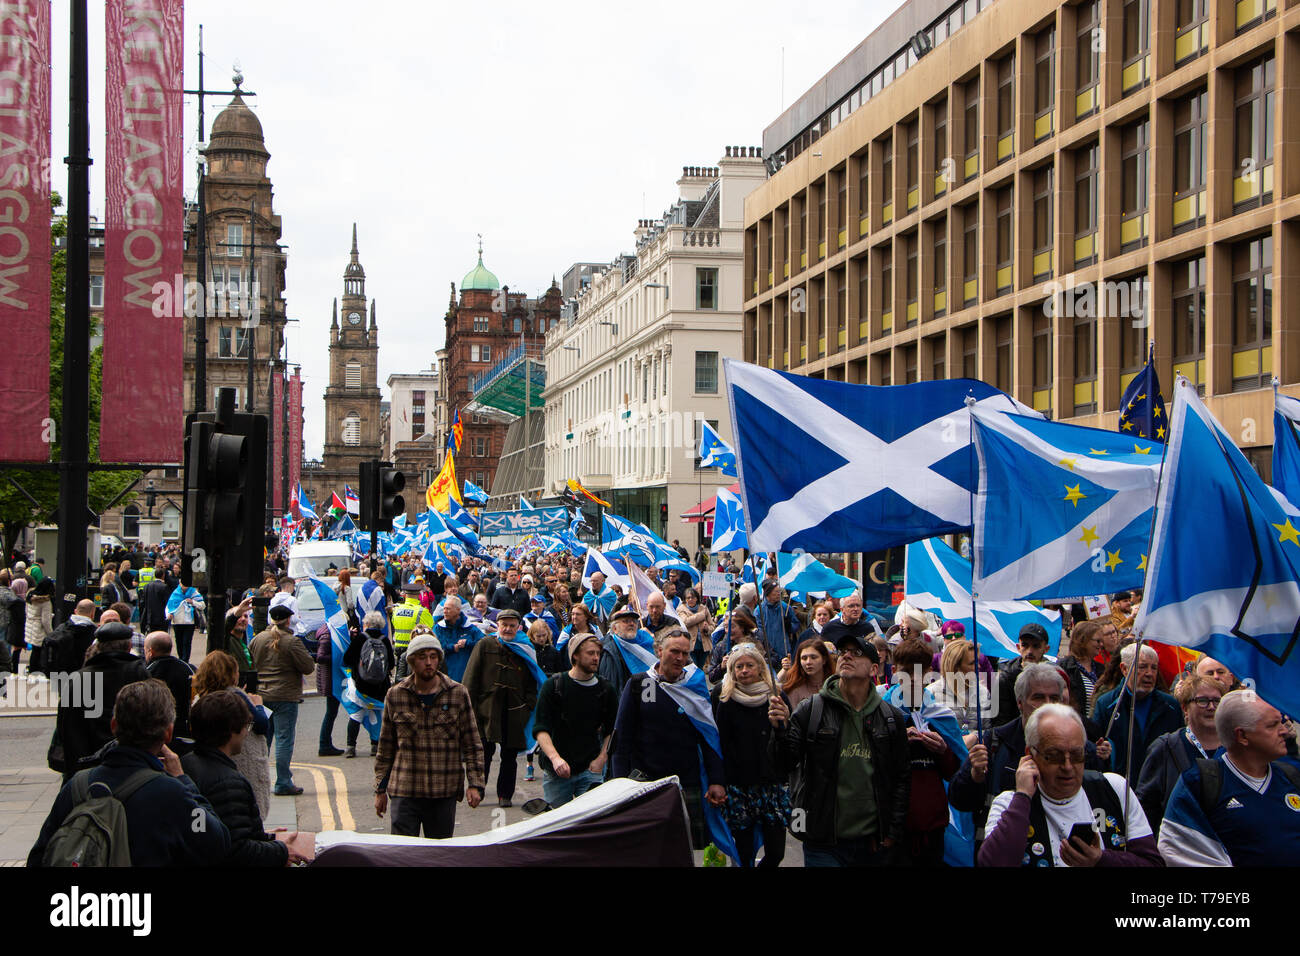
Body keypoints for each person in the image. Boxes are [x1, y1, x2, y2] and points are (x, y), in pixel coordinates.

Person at [28, 679, 231, 867]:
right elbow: (217, 842)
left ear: (114, 725)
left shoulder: (78, 785)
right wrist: (183, 779)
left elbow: (39, 856)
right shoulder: (172, 793)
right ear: (168, 733)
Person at [768, 629, 910, 866]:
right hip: (823, 841)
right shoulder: (810, 710)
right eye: (843, 652)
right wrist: (780, 731)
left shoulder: (890, 718)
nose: (846, 656)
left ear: (874, 669)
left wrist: (892, 832)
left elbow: (901, 778)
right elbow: (783, 765)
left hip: (872, 842)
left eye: (856, 653)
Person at [978, 703, 1162, 866]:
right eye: (1054, 756)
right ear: (1031, 754)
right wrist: (1024, 796)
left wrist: (1101, 860)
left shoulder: (1113, 788)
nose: (1067, 767)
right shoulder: (1010, 803)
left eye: (1076, 755)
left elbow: (1153, 862)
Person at [611, 630, 726, 849]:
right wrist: (620, 785)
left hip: (686, 782)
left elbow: (709, 737)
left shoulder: (694, 686)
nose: (680, 658)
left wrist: (716, 780)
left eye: (685, 653)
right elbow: (621, 741)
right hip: (646, 784)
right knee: (648, 851)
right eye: (674, 651)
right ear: (659, 651)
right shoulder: (641, 684)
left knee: (681, 852)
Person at [1158, 690, 1300, 865]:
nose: (1284, 731)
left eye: (1281, 723)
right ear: (1242, 736)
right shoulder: (1199, 783)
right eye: (1272, 725)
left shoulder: (1291, 777)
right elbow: (1178, 851)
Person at [182, 690, 315, 866]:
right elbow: (237, 849)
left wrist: (263, 836)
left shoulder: (188, 763)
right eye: (246, 726)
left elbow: (217, 830)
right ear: (231, 731)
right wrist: (281, 850)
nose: (246, 733)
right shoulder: (228, 783)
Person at [374, 632, 486, 838]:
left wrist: (475, 784)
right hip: (405, 789)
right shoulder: (396, 694)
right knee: (403, 856)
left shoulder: (457, 693)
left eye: (433, 657)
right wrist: (380, 789)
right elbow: (386, 746)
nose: (428, 662)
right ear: (411, 661)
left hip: (443, 790)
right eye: (422, 657)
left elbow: (472, 743)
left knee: (439, 855)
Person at [713, 642, 791, 867]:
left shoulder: (776, 696)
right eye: (739, 667)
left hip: (772, 784)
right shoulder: (725, 699)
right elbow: (720, 742)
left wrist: (782, 724)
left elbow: (788, 738)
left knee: (776, 852)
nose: (744, 670)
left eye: (749, 665)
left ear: (760, 668)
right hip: (740, 786)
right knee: (744, 853)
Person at [47, 622, 150, 781]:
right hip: (131, 765)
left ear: (99, 646)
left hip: (86, 766)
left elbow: (66, 726)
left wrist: (75, 769)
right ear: (129, 646)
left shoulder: (80, 678)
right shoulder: (138, 673)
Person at [462, 609, 539, 808]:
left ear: (518, 627)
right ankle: (478, 789)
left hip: (515, 711)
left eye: (512, 625)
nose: (507, 629)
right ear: (498, 625)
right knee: (484, 753)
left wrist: (528, 704)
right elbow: (471, 678)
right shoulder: (484, 644)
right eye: (504, 625)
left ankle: (505, 794)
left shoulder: (524, 648)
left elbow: (533, 680)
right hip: (487, 709)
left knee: (509, 756)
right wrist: (470, 707)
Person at [532, 628, 618, 808]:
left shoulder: (605, 689)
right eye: (590, 653)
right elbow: (541, 729)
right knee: (557, 827)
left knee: (591, 826)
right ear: (575, 656)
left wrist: (602, 758)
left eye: (598, 653)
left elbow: (613, 729)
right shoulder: (554, 686)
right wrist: (556, 759)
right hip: (557, 772)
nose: (596, 658)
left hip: (590, 769)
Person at [1134, 674, 1224, 833]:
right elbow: (1146, 807)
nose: (1211, 707)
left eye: (1217, 701)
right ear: (1185, 708)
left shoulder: (1236, 747)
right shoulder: (1165, 748)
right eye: (1202, 701)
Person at [193, 650, 271, 817]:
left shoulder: (201, 698)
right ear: (230, 673)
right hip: (243, 761)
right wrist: (257, 705)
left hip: (213, 764)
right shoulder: (236, 696)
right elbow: (260, 725)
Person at [250, 603, 315, 796]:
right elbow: (308, 667)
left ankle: (259, 780)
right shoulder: (291, 641)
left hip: (263, 695)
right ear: (288, 620)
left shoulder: (258, 639)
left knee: (264, 740)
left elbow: (250, 662)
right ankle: (283, 782)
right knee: (284, 739)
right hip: (285, 696)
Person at [1092, 642, 1183, 777]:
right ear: (1124, 669)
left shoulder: (1170, 706)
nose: (1149, 673)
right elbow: (1095, 748)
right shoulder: (1107, 705)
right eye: (1142, 667)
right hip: (1121, 785)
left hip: (1158, 787)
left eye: (1154, 668)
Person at [992, 622, 1051, 729]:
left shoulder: (1054, 675)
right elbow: (1000, 721)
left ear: (1045, 649)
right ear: (1018, 647)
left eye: (1036, 646)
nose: (1029, 651)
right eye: (1025, 645)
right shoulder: (1006, 678)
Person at [143, 632, 195, 741]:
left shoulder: (146, 672)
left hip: (154, 730)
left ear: (150, 651)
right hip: (184, 727)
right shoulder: (187, 669)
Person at [1060, 619, 1109, 725]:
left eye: (1102, 641)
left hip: (1096, 730)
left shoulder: (1102, 669)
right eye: (1097, 641)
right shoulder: (1064, 667)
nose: (1101, 644)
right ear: (1083, 640)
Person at [42, 599, 99, 679]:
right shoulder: (95, 633)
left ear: (75, 611)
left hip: (62, 677)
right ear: (92, 614)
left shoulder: (61, 628)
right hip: (85, 677)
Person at [390, 580, 434, 679]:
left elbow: (393, 623)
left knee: (399, 675)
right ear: (419, 595)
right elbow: (429, 628)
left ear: (405, 595)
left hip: (398, 647)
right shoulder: (422, 611)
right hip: (414, 648)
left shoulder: (397, 609)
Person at [778, 636, 835, 711]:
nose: (808, 662)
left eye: (813, 657)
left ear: (824, 660)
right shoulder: (794, 689)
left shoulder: (835, 685)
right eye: (804, 658)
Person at [164, 581, 204, 665]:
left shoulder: (193, 592)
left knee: (187, 642)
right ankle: (181, 659)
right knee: (179, 642)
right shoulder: (175, 593)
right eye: (182, 584)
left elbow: (202, 605)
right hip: (177, 622)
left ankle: (185, 661)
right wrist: (169, 614)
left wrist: (192, 602)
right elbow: (169, 606)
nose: (184, 587)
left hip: (189, 622)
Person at [24, 577, 54, 676]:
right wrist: (51, 633)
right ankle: (36, 669)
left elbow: (27, 612)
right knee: (39, 651)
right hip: (39, 629)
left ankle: (32, 668)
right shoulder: (45, 602)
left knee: (35, 650)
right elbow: (45, 621)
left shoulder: (30, 596)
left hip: (30, 625)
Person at [138, 566, 172, 637]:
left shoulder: (147, 586)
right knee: (161, 637)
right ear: (163, 576)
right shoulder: (164, 587)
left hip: (149, 617)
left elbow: (142, 603)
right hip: (161, 617)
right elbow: (167, 603)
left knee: (151, 636)